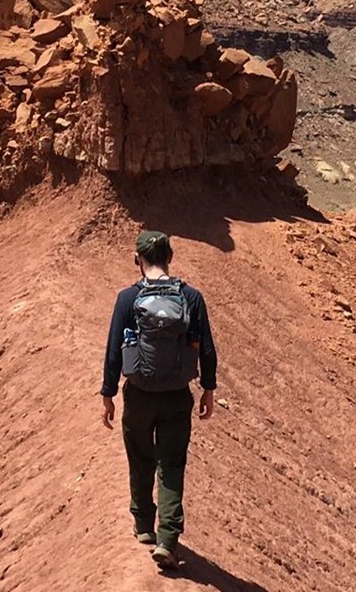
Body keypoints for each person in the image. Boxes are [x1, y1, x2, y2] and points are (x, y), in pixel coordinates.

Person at [100, 229, 218, 571]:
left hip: (137, 394)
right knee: (171, 465)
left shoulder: (127, 299)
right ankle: (167, 539)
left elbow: (112, 350)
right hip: (177, 397)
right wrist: (208, 388)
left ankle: (142, 526)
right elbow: (207, 348)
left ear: (138, 260)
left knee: (140, 458)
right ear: (171, 258)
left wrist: (107, 393)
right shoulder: (191, 297)